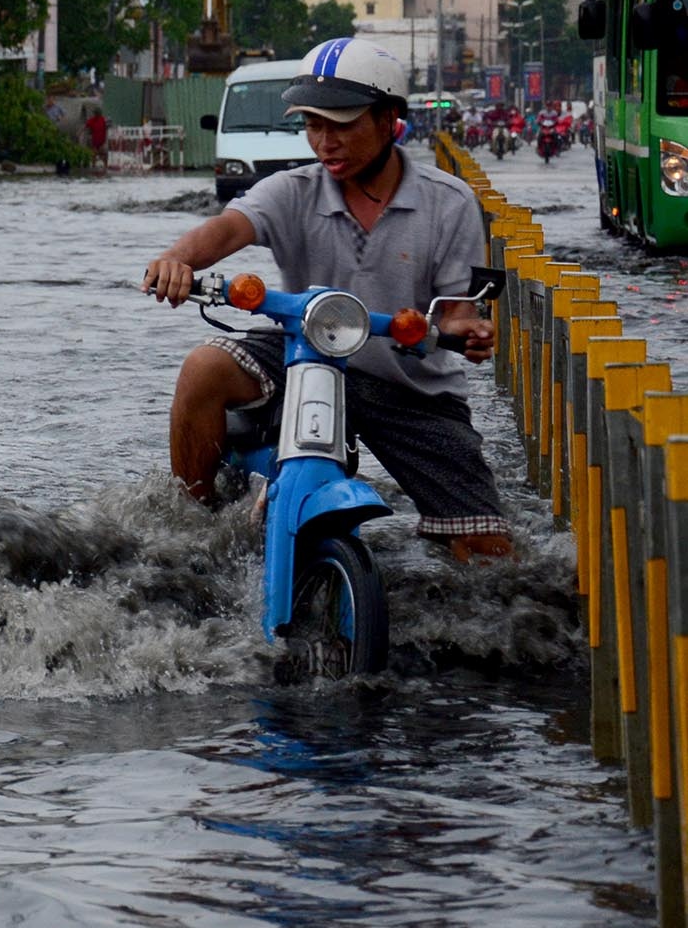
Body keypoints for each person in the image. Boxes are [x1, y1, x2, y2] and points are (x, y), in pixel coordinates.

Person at [141, 37, 513, 563]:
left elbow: (456, 313)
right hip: (307, 359)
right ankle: (192, 534)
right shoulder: (292, 190)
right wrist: (176, 259)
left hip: (410, 388)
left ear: (388, 120)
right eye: (313, 125)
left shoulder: (450, 203)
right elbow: (227, 228)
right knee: (204, 368)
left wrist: (465, 333)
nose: (324, 142)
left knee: (487, 553)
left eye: (341, 125)